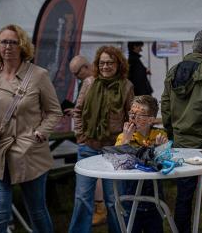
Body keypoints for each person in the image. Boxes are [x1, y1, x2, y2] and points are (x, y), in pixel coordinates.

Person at [0, 24, 62, 232]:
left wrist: (41, 132)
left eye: (13, 42)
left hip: (28, 151)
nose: (8, 47)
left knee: (37, 211)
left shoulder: (39, 75)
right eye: (3, 42)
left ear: (22, 46)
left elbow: (54, 112)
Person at [161, 29, 202, 233]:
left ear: (193, 46)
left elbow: (166, 107)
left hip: (182, 144)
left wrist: (172, 134)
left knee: (184, 194)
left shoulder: (174, 70)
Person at [68, 45, 134, 233]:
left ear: (118, 64)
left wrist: (124, 141)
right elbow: (78, 111)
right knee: (82, 197)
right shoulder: (89, 83)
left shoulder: (126, 86)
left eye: (110, 62)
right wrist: (80, 136)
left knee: (114, 200)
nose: (105, 66)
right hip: (88, 146)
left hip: (114, 150)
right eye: (102, 62)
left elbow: (131, 117)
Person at [115, 95, 168, 233]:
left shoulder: (159, 135)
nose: (133, 118)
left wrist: (160, 148)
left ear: (151, 119)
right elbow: (118, 162)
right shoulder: (123, 136)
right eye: (132, 113)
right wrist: (126, 140)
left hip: (155, 197)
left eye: (140, 115)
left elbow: (165, 161)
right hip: (130, 197)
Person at [68, 54, 107, 226]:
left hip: (98, 142)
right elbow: (80, 111)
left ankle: (100, 210)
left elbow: (79, 111)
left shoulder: (91, 81)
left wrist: (80, 137)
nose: (76, 77)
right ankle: (100, 210)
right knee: (88, 188)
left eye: (76, 73)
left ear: (85, 67)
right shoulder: (91, 81)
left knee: (87, 189)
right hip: (94, 140)